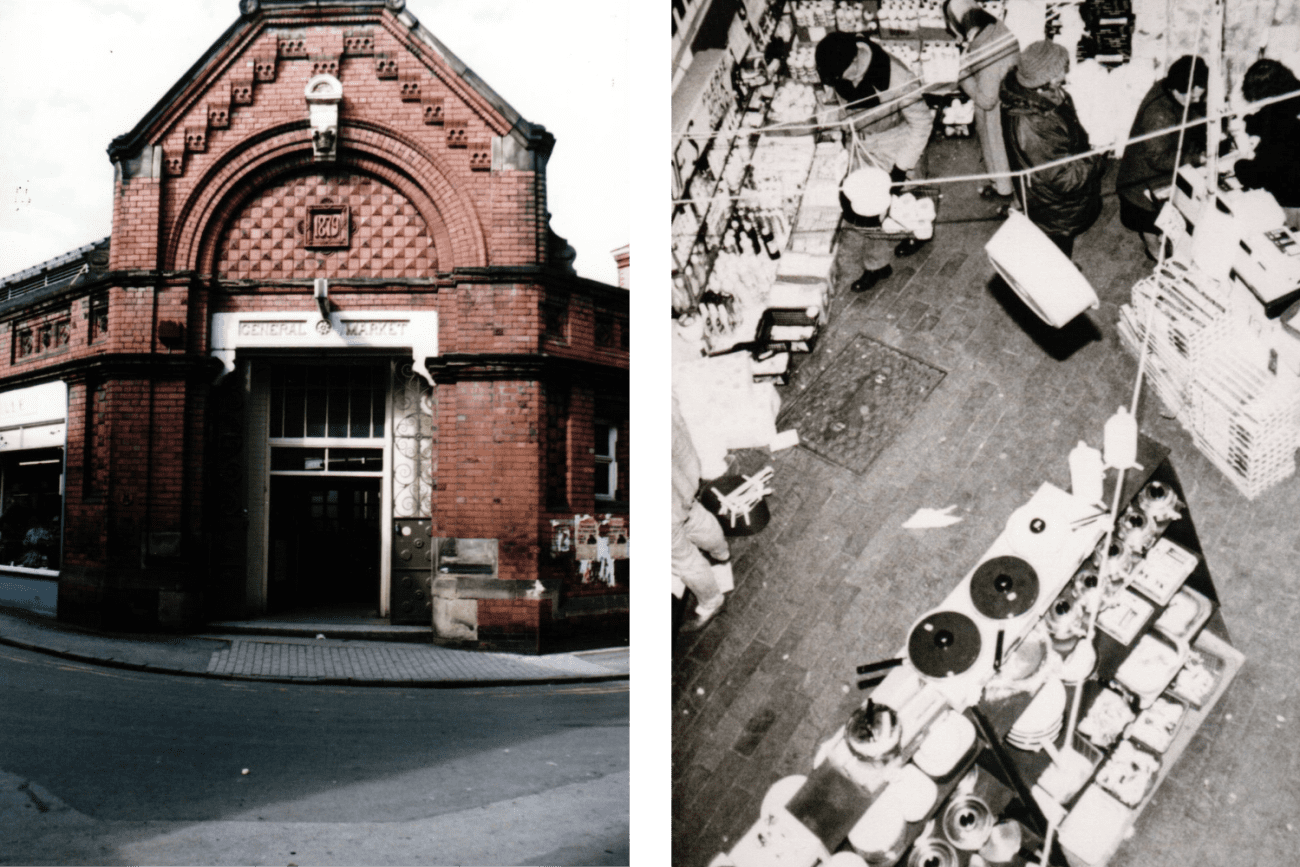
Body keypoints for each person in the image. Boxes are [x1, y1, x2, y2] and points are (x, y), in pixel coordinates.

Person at [815, 32, 936, 292]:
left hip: (895, 144)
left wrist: (900, 169)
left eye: (840, 77)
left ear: (855, 62)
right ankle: (879, 265)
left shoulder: (896, 78)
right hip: (863, 143)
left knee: (889, 205)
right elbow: (838, 100)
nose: (838, 83)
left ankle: (898, 247)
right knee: (872, 207)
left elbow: (922, 123)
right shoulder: (841, 68)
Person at [999, 40, 1106, 258]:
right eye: (1061, 70)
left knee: (1056, 247)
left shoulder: (1040, 97)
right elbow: (1063, 178)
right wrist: (1097, 158)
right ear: (1046, 78)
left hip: (1052, 199)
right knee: (1057, 250)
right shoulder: (1035, 123)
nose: (1066, 74)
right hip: (1054, 207)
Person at [1116, 56, 1209, 260]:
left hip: (1150, 173)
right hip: (1142, 184)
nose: (1196, 101)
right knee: (1149, 221)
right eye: (1193, 97)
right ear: (1178, 89)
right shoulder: (1159, 114)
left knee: (1164, 217)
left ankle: (1161, 240)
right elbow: (1158, 159)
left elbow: (1186, 114)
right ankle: (1154, 251)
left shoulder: (1166, 86)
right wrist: (1196, 159)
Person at [944, 0, 1020, 207]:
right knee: (1000, 151)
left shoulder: (986, 47)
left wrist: (962, 73)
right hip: (1006, 99)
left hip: (996, 110)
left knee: (998, 150)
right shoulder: (994, 28)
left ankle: (1005, 193)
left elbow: (986, 100)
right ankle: (1001, 186)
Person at [671, 389, 731, 632]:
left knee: (682, 559)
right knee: (694, 515)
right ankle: (721, 553)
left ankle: (712, 601)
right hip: (683, 476)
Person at [1233, 58, 1300, 231]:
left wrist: (1239, 165)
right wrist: (1249, 122)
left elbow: (1259, 175)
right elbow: (1264, 117)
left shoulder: (1280, 124)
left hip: (1291, 202)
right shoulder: (1291, 98)